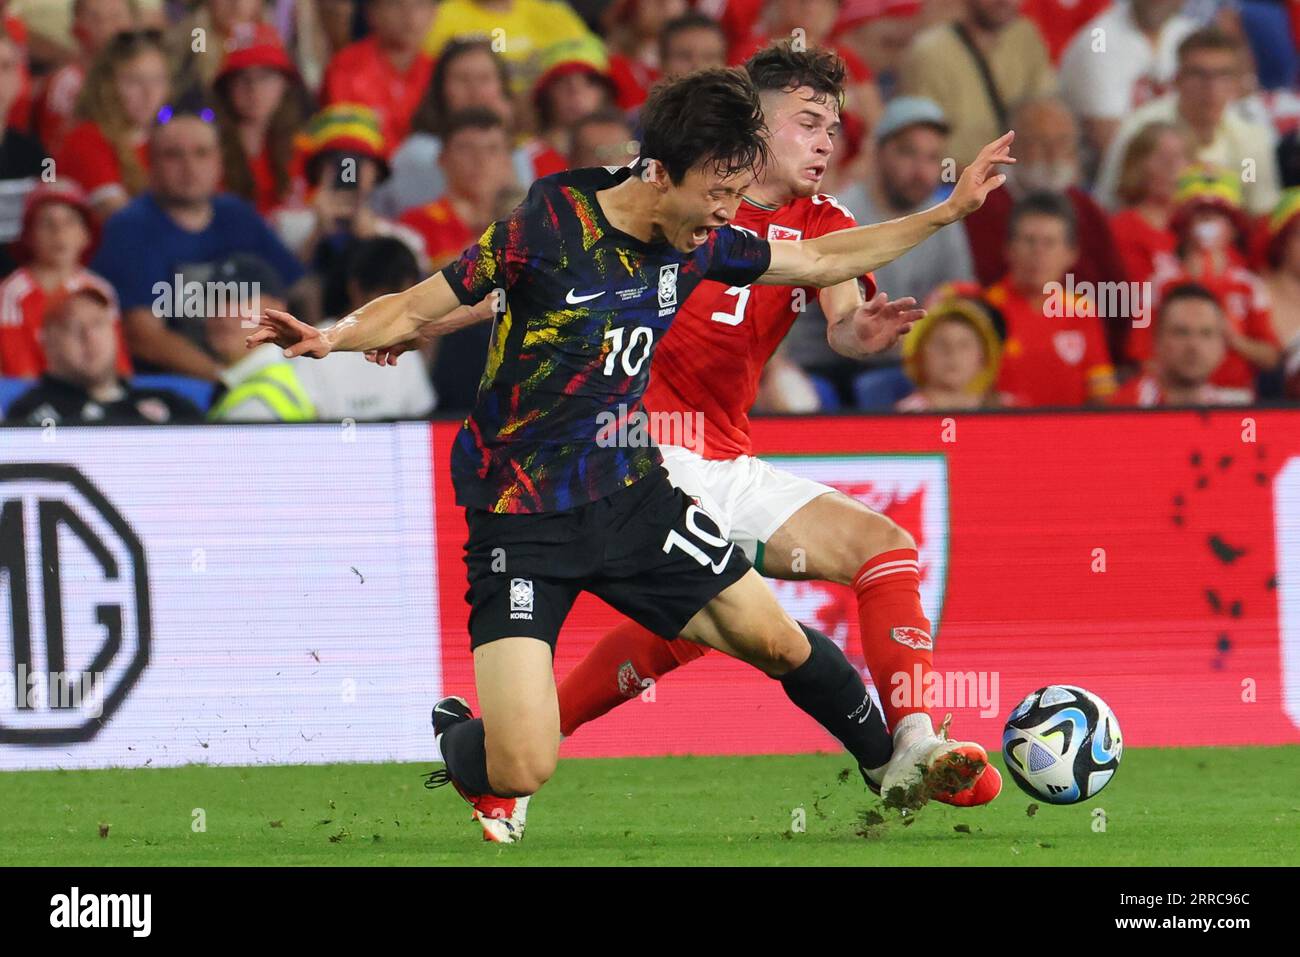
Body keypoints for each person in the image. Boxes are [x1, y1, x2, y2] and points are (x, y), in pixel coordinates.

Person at [249, 66, 1014, 842]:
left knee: (776, 637)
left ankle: (895, 760)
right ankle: (462, 739)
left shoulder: (705, 241)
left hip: (632, 493)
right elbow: (435, 297)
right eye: (717, 193)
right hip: (521, 516)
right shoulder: (552, 218)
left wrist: (948, 211)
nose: (725, 214)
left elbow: (818, 265)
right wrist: (335, 336)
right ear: (661, 172)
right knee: (522, 762)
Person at [535, 47, 1000, 812]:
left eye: (835, 128)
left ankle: (914, 739)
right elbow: (560, 265)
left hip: (725, 456)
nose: (826, 142)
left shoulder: (827, 222)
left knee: (876, 550)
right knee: (715, 610)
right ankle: (512, 744)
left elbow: (841, 318)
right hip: (637, 445)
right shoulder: (682, 193)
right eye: (808, 122)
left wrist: (864, 331)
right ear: (755, 124)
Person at [786, 96, 976, 405]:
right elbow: (851, 319)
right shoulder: (841, 213)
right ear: (878, 153)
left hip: (907, 365)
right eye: (908, 154)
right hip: (829, 367)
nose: (921, 170)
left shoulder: (944, 219)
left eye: (932, 158)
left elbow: (960, 299)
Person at [90, 109, 306, 379]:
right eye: (173, 155)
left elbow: (299, 289)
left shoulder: (238, 216)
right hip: (169, 388)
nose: (189, 167)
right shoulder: (130, 228)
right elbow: (143, 336)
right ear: (151, 165)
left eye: (201, 153)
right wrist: (224, 380)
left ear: (219, 163)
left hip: (247, 371)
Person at [207, 247, 438, 421]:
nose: (223, 312)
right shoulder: (251, 382)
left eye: (240, 299)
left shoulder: (272, 390)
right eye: (216, 299)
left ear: (278, 306)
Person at [1096, 27, 1282, 216]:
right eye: (1199, 74)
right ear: (1177, 79)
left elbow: (1260, 213)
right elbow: (1110, 204)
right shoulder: (1140, 128)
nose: (1211, 88)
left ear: (1236, 84)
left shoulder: (1251, 141)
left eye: (1223, 75)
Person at [1135, 165, 1280, 395]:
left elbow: (1271, 357)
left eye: (1217, 217)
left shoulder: (1250, 286)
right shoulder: (1158, 284)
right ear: (1184, 225)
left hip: (1234, 397)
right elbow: (1143, 355)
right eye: (1201, 216)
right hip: (1175, 397)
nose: (1208, 223)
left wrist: (1233, 339)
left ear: (1233, 228)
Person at [962, 96, 1128, 296]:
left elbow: (1117, 294)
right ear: (1011, 146)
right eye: (1040, 142)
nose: (1053, 153)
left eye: (1063, 141)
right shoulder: (981, 204)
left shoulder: (1086, 208)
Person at [984, 192, 1117, 406]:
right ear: (1008, 248)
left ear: (1071, 254)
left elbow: (1102, 396)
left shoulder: (1082, 310)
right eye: (1029, 241)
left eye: (1049, 243)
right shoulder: (985, 309)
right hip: (1004, 435)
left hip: (1071, 436)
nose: (1038, 252)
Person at [5, 287, 201, 424]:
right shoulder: (35, 414)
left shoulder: (170, 403)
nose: (89, 337)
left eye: (98, 324)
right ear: (48, 344)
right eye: (73, 328)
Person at [899, 0, 1056, 168]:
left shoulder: (1025, 35)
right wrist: (979, 180)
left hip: (1023, 178)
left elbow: (1048, 112)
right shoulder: (930, 53)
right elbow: (922, 158)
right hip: (958, 185)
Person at [0, 182, 128, 378]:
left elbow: (118, 368)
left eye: (70, 222)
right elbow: (19, 375)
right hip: (34, 401)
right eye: (46, 223)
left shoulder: (100, 289)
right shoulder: (10, 292)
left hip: (92, 397)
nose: (59, 233)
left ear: (86, 234)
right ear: (29, 236)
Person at [1058, 0, 1199, 160]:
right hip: (1106, 172)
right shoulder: (1099, 38)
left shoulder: (1189, 33)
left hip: (1174, 161)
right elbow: (1109, 139)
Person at [56, 28, 169, 222]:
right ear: (106, 86)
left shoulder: (165, 138)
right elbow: (125, 221)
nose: (149, 92)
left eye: (157, 79)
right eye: (134, 80)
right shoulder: (86, 139)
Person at [398, 109, 516, 269]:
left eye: (492, 149)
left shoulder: (526, 229)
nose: (480, 160)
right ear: (442, 159)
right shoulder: (415, 226)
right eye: (466, 148)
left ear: (508, 162)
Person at [212, 23, 305, 214]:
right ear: (226, 88)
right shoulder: (206, 150)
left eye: (265, 76)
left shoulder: (305, 149)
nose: (254, 89)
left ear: (284, 84)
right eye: (242, 78)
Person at [320, 0, 434, 154]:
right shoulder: (347, 67)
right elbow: (343, 143)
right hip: (361, 167)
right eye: (396, 5)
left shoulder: (438, 71)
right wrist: (350, 177)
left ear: (434, 13)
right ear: (372, 13)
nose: (410, 17)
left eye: (420, 5)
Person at [1109, 282, 1251, 405]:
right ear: (1157, 340)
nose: (1193, 346)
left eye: (1206, 333)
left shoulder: (1237, 413)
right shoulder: (1123, 408)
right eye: (1181, 332)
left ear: (1222, 345)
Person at [32, 0, 135, 155]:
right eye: (95, 18)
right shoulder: (68, 82)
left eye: (116, 16)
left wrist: (162, 117)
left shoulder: (144, 75)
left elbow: (163, 114)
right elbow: (57, 146)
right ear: (76, 28)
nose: (107, 27)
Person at [895, 291, 1012, 410]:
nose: (952, 353)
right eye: (940, 344)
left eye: (964, 345)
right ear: (919, 354)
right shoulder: (904, 415)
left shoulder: (1010, 411)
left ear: (983, 356)